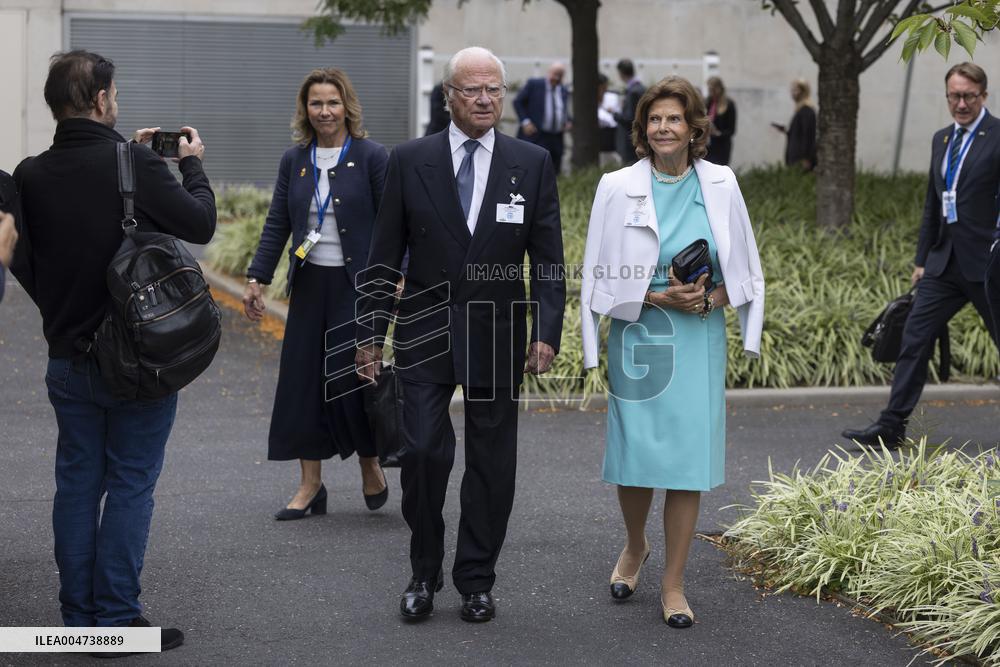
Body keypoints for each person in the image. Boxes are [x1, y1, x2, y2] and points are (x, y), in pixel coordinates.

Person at [10, 50, 216, 651]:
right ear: (101, 100)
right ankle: (118, 618)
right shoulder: (134, 164)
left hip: (69, 357)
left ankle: (77, 622)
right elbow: (199, 224)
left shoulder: (28, 174)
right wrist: (189, 165)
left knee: (76, 484)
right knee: (130, 483)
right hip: (140, 363)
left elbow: (25, 262)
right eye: (115, 95)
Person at [355, 46, 565, 624]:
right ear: (448, 95)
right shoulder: (410, 159)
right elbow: (382, 254)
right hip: (423, 327)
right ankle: (424, 569)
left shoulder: (532, 161)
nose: (484, 100)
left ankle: (476, 577)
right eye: (471, 90)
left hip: (496, 331)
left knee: (493, 462)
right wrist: (371, 333)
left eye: (494, 89)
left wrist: (548, 328)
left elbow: (548, 259)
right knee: (422, 450)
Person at [580, 75, 764, 628]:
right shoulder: (615, 186)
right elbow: (596, 276)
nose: (664, 127)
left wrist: (709, 298)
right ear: (643, 129)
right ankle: (636, 545)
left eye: (675, 119)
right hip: (640, 336)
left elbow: (746, 272)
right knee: (636, 460)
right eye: (655, 119)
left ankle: (674, 584)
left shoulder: (723, 183)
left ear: (692, 128)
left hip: (698, 337)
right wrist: (658, 294)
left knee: (686, 465)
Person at [243, 68, 389, 520]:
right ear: (305, 110)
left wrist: (397, 275)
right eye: (316, 103)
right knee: (304, 383)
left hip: (355, 287)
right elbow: (277, 224)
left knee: (355, 378)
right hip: (309, 287)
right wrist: (257, 277)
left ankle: (370, 465)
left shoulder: (371, 157)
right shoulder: (296, 160)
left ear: (347, 106)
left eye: (332, 102)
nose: (324, 111)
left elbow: (392, 222)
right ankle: (310, 485)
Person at [843, 62, 1000, 447]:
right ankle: (891, 425)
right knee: (914, 337)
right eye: (954, 96)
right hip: (943, 263)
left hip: (988, 263)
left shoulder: (997, 136)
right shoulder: (941, 140)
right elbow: (933, 205)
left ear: (984, 95)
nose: (961, 103)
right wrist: (920, 259)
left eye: (968, 96)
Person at [514, 61, 571, 173]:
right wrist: (525, 122)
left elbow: (562, 110)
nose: (556, 77)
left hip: (556, 137)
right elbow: (518, 102)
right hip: (537, 135)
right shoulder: (535, 84)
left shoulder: (563, 90)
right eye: (554, 74)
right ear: (548, 72)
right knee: (534, 168)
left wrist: (567, 121)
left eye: (559, 75)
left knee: (554, 171)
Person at [772, 78, 816, 170]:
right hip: (795, 157)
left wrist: (806, 158)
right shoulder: (800, 110)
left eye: (795, 90)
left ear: (803, 91)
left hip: (801, 159)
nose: (792, 93)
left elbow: (808, 136)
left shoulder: (806, 111)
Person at [614, 59, 646, 166]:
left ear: (621, 73)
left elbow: (629, 119)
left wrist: (614, 114)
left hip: (630, 141)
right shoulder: (641, 88)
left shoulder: (633, 91)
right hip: (638, 139)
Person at [704, 76, 736, 166]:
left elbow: (731, 130)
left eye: (712, 89)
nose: (711, 92)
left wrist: (718, 133)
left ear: (719, 88)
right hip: (708, 145)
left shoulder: (729, 104)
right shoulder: (708, 101)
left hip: (722, 146)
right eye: (709, 89)